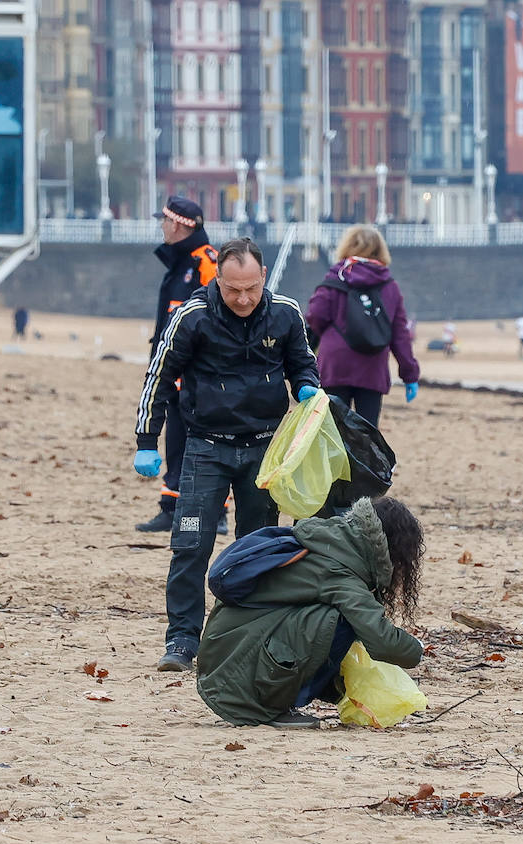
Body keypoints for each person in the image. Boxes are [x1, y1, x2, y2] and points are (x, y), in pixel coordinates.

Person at [133, 237, 320, 672]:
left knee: (258, 547)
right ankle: (181, 640)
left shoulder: (285, 313)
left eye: (251, 288)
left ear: (263, 279)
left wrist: (307, 384)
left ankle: (249, 633)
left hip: (265, 449)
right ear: (218, 279)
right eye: (233, 288)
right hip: (206, 448)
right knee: (191, 546)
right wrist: (147, 441)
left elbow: (302, 361)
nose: (242, 298)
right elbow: (159, 377)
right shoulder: (192, 317)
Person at [195, 496, 425, 729]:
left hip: (228, 657)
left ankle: (280, 697)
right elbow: (381, 639)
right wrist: (417, 650)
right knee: (340, 621)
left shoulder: (332, 539)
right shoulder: (338, 566)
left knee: (335, 618)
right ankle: (272, 704)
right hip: (234, 675)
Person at [135, 196, 220, 534]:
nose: (161, 227)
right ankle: (171, 507)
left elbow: (218, 320)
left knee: (202, 441)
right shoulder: (179, 262)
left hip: (198, 373)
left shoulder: (206, 263)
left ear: (180, 224)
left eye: (165, 221)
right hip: (172, 367)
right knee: (175, 440)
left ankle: (217, 513)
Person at [304, 225, 419, 428]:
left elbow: (315, 316)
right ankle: (362, 461)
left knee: (335, 430)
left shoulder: (335, 277)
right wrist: (409, 374)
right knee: (367, 432)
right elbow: (400, 334)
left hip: (335, 365)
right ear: (379, 250)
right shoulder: (389, 286)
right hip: (372, 367)